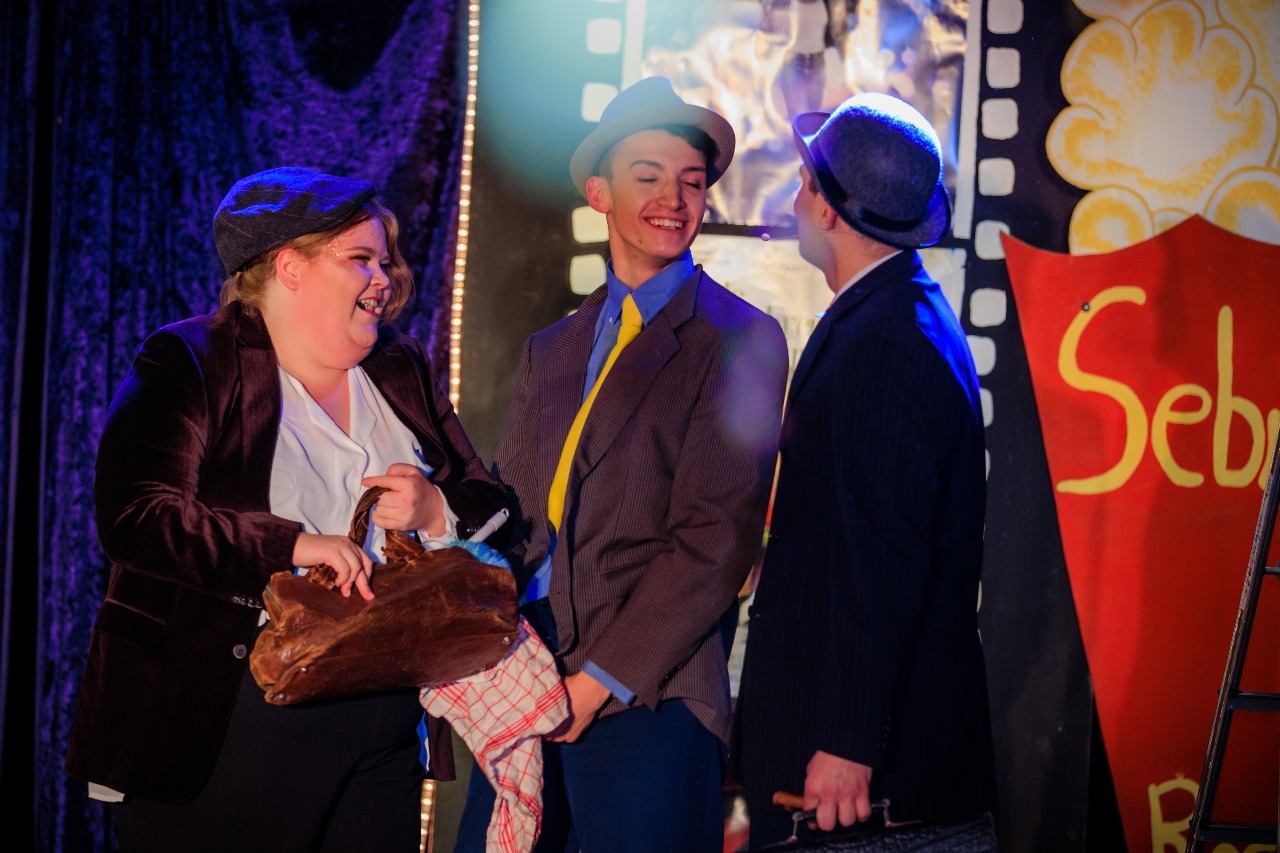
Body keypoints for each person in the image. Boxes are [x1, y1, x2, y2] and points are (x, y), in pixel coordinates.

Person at [63, 167, 509, 852]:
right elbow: (137, 517)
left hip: (384, 704)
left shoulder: (400, 367)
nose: (384, 278)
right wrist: (292, 546)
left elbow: (493, 507)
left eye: (384, 260)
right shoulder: (193, 360)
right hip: (231, 708)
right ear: (289, 266)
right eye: (360, 258)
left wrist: (435, 508)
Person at [455, 76, 788, 852]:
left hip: (650, 692)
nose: (674, 198)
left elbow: (715, 541)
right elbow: (513, 512)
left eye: (692, 182)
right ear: (599, 193)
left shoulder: (738, 337)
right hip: (529, 679)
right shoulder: (551, 348)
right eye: (649, 176)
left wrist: (596, 681)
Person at [732, 93, 1000, 850]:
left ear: (827, 209)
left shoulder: (887, 341)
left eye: (803, 182)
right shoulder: (890, 314)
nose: (795, 198)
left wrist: (849, 739)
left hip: (868, 795)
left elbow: (882, 555)